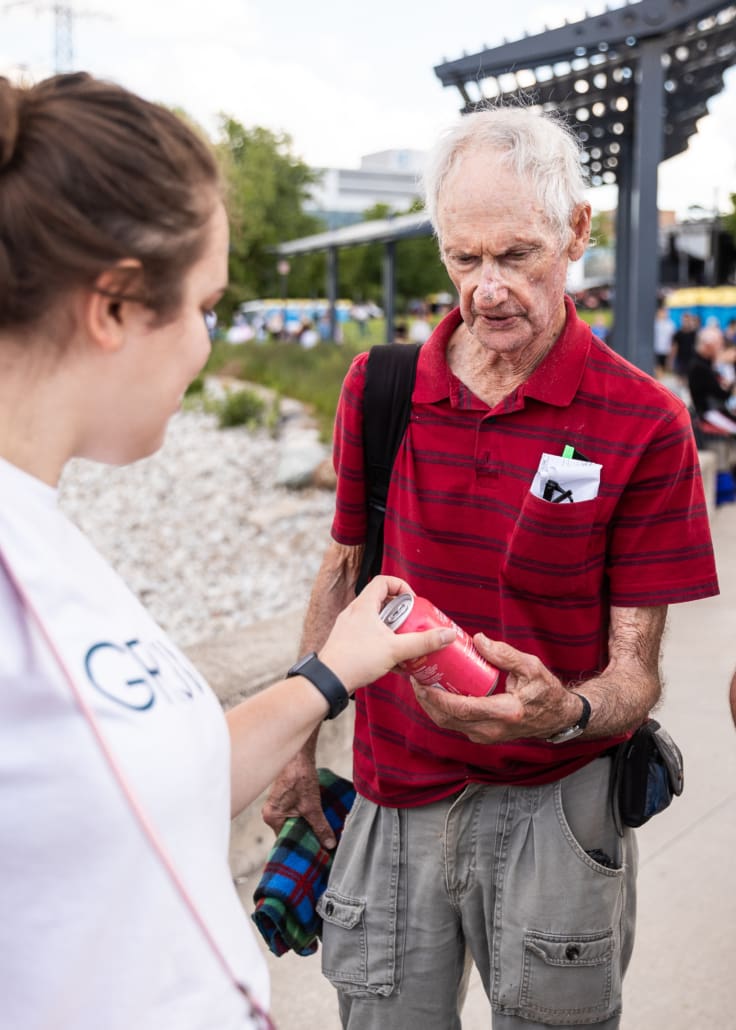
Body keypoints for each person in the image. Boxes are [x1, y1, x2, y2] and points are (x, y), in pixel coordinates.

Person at [0, 72, 454, 1030]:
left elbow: (170, 772)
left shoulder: (45, 528)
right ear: (116, 306)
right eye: (207, 305)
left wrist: (333, 672)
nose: (212, 345)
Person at [263, 106, 719, 1030]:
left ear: (577, 233)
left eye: (516, 255)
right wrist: (297, 747)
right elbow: (344, 572)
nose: (487, 290)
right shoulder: (379, 387)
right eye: (464, 259)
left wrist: (568, 711)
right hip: (392, 797)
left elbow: (636, 668)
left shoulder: (645, 425)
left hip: (559, 808)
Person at [687, 325, 736, 434]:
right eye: (719, 344)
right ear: (708, 346)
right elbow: (720, 394)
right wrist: (730, 387)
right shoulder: (699, 366)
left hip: (712, 410)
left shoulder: (703, 363)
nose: (721, 348)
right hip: (708, 413)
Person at [653, 301, 675, 375]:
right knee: (657, 366)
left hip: (665, 349)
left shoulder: (670, 324)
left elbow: (672, 339)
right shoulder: (655, 323)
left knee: (663, 367)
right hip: (656, 349)